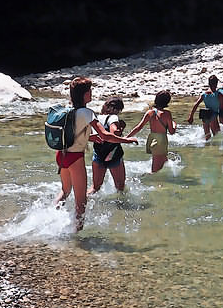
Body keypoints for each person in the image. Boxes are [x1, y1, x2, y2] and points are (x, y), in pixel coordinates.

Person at [54, 77, 138, 231]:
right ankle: (75, 238)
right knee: (81, 203)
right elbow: (106, 135)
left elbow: (74, 134)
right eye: (90, 90)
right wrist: (126, 140)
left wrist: (91, 137)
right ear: (85, 95)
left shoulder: (68, 111)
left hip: (61, 154)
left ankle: (51, 216)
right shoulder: (87, 112)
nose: (91, 93)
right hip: (74, 158)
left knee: (65, 191)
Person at [126, 90, 177, 173]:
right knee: (155, 171)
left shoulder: (150, 112)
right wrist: (174, 124)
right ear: (167, 102)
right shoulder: (167, 114)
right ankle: (152, 183)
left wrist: (126, 138)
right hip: (161, 142)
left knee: (165, 162)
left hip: (152, 140)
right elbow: (171, 131)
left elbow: (138, 127)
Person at [88, 97, 129, 194]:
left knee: (95, 188)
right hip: (113, 155)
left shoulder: (96, 118)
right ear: (116, 109)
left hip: (99, 154)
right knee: (120, 187)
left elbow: (91, 135)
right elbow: (114, 132)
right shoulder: (113, 117)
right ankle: (121, 207)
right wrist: (121, 130)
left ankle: (82, 203)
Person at [187, 75, 221, 140]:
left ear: (209, 84)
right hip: (213, 115)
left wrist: (191, 116)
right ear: (216, 83)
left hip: (205, 114)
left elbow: (196, 105)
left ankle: (207, 148)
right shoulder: (218, 94)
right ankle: (214, 149)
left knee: (207, 136)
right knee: (216, 135)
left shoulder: (204, 94)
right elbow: (222, 106)